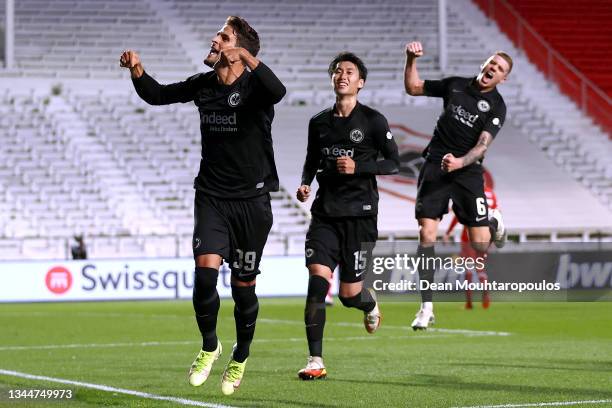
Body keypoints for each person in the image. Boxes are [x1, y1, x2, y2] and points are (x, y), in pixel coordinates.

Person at [120, 16, 286, 395]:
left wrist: (244, 53)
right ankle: (210, 346)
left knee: (243, 289)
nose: (214, 39)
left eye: (223, 36)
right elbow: (157, 95)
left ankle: (240, 357)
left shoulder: (257, 88)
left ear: (238, 51)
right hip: (211, 197)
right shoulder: (204, 85)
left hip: (252, 203)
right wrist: (138, 70)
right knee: (204, 277)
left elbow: (278, 91)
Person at [295, 52, 400, 380]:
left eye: (349, 72)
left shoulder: (373, 121)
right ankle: (315, 360)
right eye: (337, 71)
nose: (342, 75)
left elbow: (395, 162)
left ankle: (369, 305)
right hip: (325, 216)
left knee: (349, 296)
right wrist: (304, 183)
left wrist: (361, 167)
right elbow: (312, 158)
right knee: (316, 284)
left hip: (361, 219)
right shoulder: (319, 122)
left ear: (360, 82)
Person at [404, 41, 510, 330]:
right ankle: (426, 307)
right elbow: (413, 88)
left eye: (499, 69)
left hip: (467, 171)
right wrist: (411, 59)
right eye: (491, 63)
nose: (493, 69)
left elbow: (482, 146)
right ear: (483, 64)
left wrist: (460, 163)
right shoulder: (455, 85)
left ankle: (492, 221)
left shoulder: (498, 106)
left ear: (503, 78)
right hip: (436, 166)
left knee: (480, 244)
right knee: (426, 233)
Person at [443, 179, 499, 309]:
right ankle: (486, 295)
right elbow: (496, 215)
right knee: (480, 268)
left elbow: (458, 215)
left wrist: (448, 232)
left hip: (469, 234)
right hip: (486, 235)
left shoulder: (469, 193)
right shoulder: (491, 194)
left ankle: (469, 303)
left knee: (468, 269)